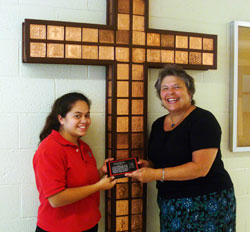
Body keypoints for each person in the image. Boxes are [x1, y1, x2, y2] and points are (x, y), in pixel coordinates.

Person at [126, 65, 236, 232]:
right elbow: (164, 161)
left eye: (177, 87)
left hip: (207, 201)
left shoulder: (203, 120)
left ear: (190, 93)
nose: (170, 92)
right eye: (165, 88)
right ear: (160, 95)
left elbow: (200, 168)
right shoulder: (157, 125)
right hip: (170, 202)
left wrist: (156, 174)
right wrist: (149, 167)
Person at [33, 92, 117, 232]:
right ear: (61, 118)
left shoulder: (84, 147)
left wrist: (102, 171)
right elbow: (56, 198)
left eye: (87, 115)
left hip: (88, 224)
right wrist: (98, 187)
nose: (84, 120)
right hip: (59, 228)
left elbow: (83, 181)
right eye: (77, 116)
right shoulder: (49, 149)